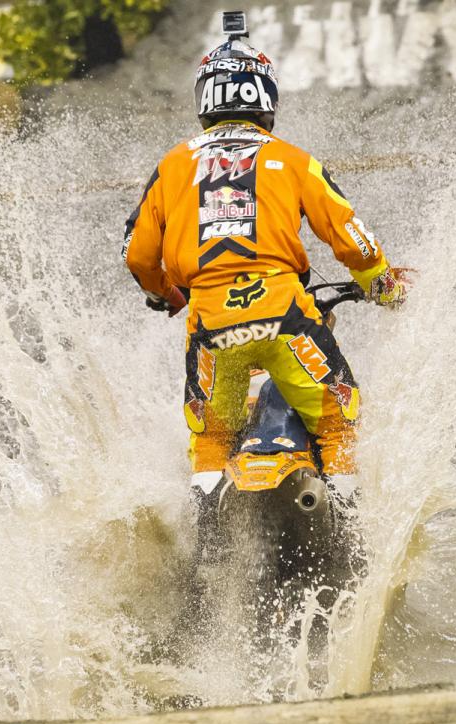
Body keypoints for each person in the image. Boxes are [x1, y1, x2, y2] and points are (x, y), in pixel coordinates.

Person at [121, 19, 409, 508]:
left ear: (205, 100)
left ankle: (208, 538)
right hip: (285, 318)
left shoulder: (171, 166)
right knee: (338, 425)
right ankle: (352, 535)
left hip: (211, 324)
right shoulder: (293, 159)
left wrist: (163, 293)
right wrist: (383, 285)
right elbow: (351, 238)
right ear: (266, 98)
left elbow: (138, 254)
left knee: (212, 439)